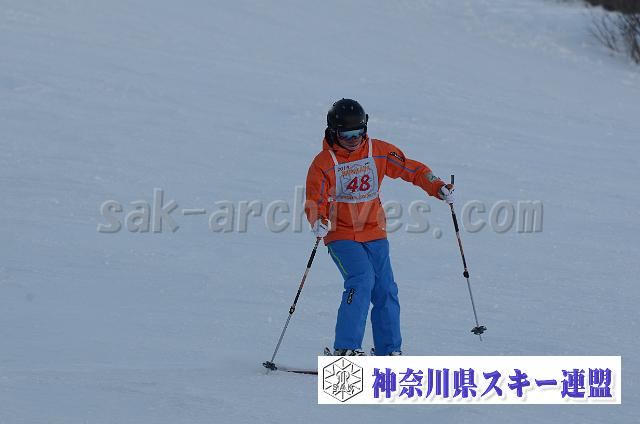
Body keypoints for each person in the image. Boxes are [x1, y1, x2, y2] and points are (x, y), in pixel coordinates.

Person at [304, 98, 454, 356]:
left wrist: (437, 185)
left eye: (358, 133)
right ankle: (347, 348)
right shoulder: (324, 163)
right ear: (333, 132)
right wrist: (318, 220)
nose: (353, 140)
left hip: (374, 231)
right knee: (361, 279)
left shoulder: (379, 151)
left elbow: (412, 169)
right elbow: (314, 198)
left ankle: (389, 351)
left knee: (385, 289)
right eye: (346, 135)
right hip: (340, 233)